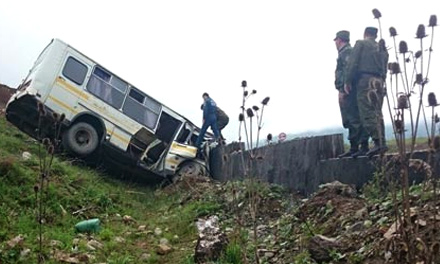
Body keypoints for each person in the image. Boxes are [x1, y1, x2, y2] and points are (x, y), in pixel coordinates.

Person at [345, 27, 389, 157]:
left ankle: (377, 141)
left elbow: (352, 63)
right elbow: (385, 65)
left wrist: (348, 81)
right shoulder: (382, 48)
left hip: (365, 81)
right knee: (377, 112)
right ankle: (381, 141)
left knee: (367, 112)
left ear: (365, 34)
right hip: (380, 81)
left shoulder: (361, 44)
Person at [334, 30, 369, 158]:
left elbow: (349, 71)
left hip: (349, 91)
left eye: (336, 40)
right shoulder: (345, 52)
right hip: (347, 90)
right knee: (349, 119)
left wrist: (344, 89)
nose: (335, 43)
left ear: (340, 40)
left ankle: (359, 146)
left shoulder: (347, 52)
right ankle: (355, 146)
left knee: (353, 118)